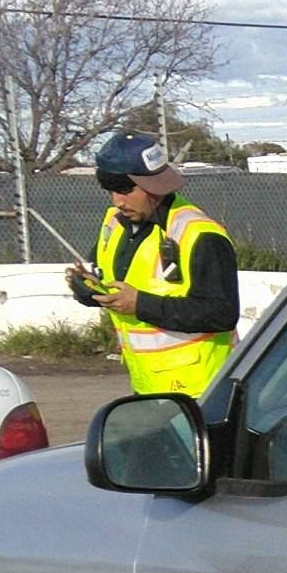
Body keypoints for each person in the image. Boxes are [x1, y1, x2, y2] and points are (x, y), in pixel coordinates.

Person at [67, 133, 239, 397]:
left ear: (154, 186)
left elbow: (221, 312)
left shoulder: (199, 234)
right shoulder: (115, 222)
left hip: (202, 391)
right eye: (111, 190)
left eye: (125, 190)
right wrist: (90, 289)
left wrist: (139, 304)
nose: (117, 201)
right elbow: (114, 282)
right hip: (147, 387)